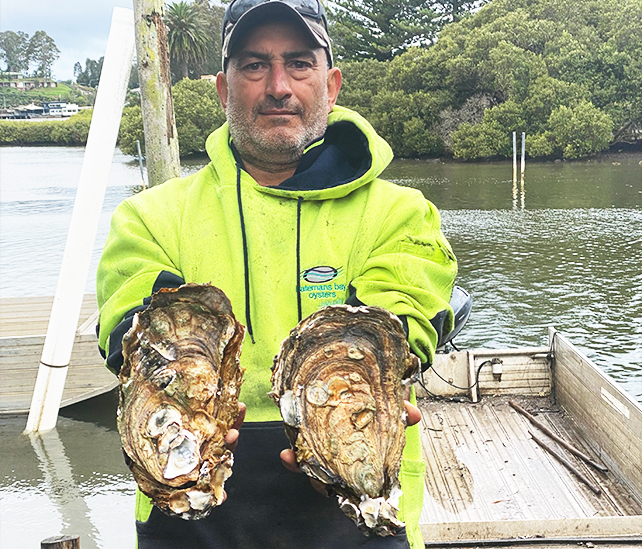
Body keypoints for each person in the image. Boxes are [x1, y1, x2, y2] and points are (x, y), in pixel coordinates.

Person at [96, 1, 458, 547]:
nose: (278, 86)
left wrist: (368, 379)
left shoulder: (400, 213)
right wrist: (169, 374)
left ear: (331, 84)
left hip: (354, 491)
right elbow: (128, 317)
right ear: (223, 89)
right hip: (188, 488)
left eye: (298, 63)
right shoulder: (150, 217)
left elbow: (408, 310)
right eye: (254, 65)